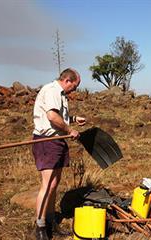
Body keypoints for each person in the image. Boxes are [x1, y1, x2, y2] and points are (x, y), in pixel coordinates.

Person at [32, 68, 86, 240]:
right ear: (68, 81)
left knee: (54, 184)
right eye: (75, 86)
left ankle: (50, 222)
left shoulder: (60, 94)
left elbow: (59, 116)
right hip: (46, 141)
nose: (74, 90)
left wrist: (73, 118)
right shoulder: (52, 90)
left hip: (57, 141)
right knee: (47, 184)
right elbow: (52, 117)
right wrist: (70, 129)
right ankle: (40, 227)